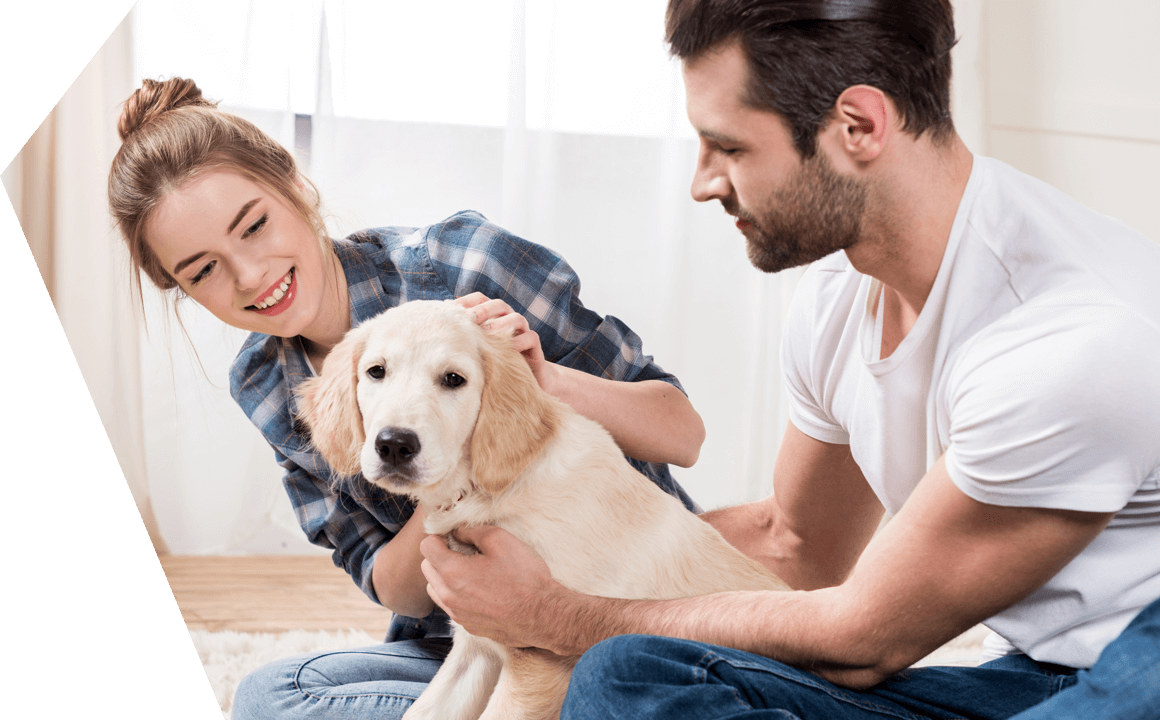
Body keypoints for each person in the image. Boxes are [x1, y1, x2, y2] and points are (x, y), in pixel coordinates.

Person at [417, 1, 1160, 718]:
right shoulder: (839, 297)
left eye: (731, 147)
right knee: (628, 677)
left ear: (858, 126)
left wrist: (556, 613)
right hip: (1020, 679)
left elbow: (866, 639)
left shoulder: (1070, 338)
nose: (703, 182)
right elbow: (796, 546)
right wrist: (551, 551)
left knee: (601, 648)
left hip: (1140, 670)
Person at [107, 76, 707, 719]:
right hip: (464, 633)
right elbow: (399, 591)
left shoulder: (465, 262)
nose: (249, 275)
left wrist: (536, 384)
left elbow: (683, 434)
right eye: (202, 270)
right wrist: (443, 474)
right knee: (269, 696)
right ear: (182, 287)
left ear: (297, 188)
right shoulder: (266, 384)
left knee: (586, 679)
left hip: (622, 602)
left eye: (253, 226)